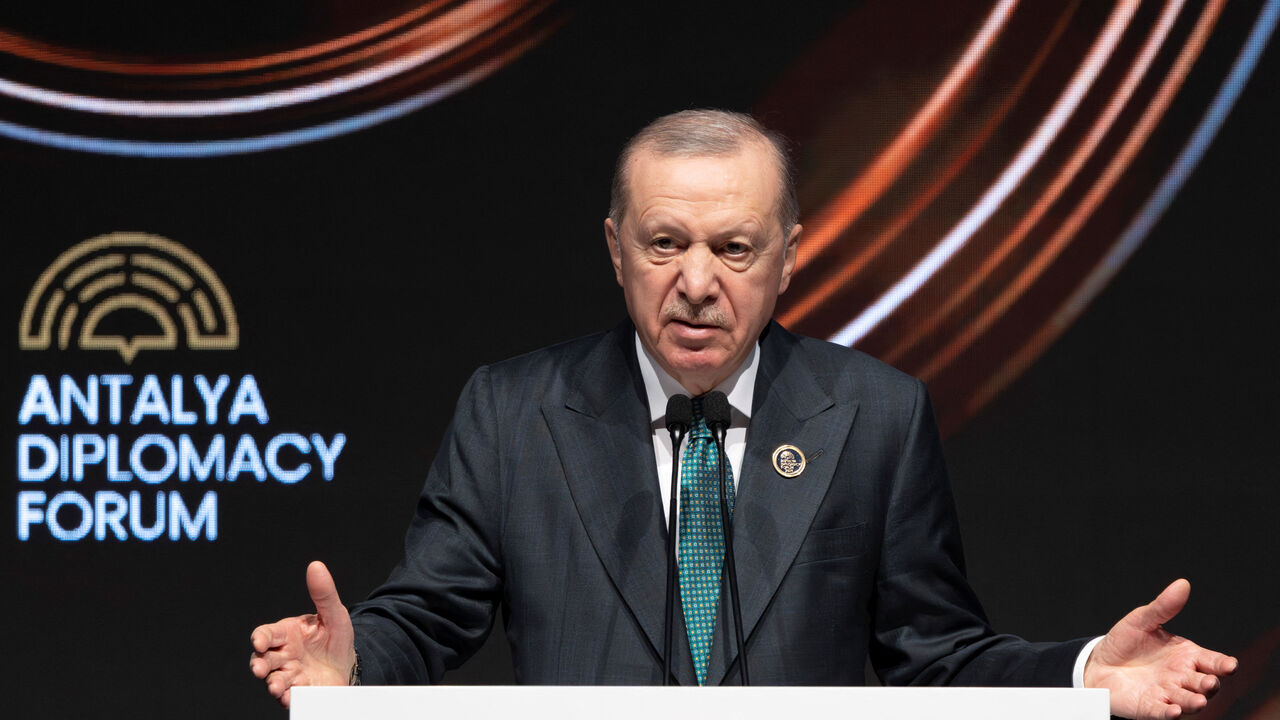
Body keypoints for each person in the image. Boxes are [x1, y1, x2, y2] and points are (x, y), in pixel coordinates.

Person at [250, 110, 1236, 718]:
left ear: (786, 258)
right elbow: (430, 612)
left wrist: (1078, 680)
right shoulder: (512, 413)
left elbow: (935, 657)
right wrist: (353, 661)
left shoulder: (874, 416)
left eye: (732, 248)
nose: (694, 284)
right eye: (664, 242)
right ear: (613, 248)